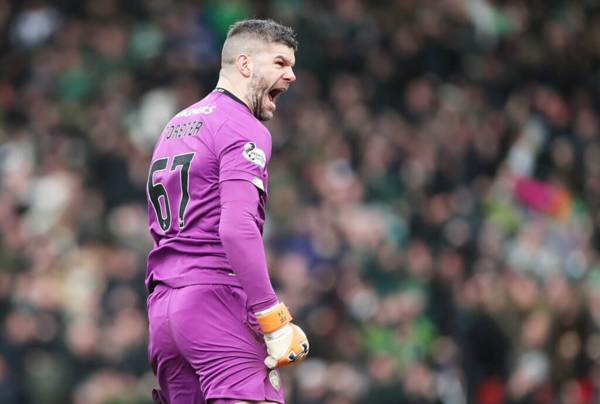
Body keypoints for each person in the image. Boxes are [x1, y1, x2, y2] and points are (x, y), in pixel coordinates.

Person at [145, 19, 309, 404]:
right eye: (280, 63)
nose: (291, 75)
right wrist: (272, 318)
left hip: (163, 311)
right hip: (214, 303)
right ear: (245, 64)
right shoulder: (241, 126)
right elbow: (236, 228)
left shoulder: (175, 126)